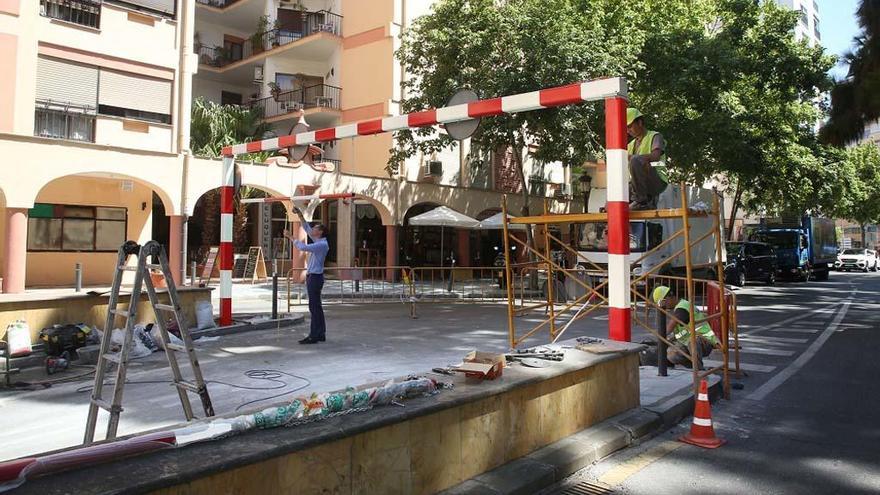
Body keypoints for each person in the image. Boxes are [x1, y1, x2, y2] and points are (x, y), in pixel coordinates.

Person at [284, 206, 329, 344]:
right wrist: (300, 214)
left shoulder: (321, 245)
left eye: (315, 228)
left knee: (314, 307)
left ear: (320, 232)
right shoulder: (319, 241)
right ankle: (320, 333)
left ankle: (314, 335)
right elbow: (306, 227)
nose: (312, 229)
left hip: (315, 277)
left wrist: (290, 237)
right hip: (315, 277)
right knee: (317, 306)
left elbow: (303, 247)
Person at [651, 285, 719, 369]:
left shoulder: (682, 307)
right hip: (689, 341)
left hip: (704, 341)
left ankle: (699, 370)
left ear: (669, 297)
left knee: (692, 341)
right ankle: (694, 367)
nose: (662, 305)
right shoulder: (679, 307)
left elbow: (671, 325)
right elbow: (680, 332)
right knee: (672, 355)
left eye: (662, 302)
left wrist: (661, 336)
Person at [626, 108, 668, 210]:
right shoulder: (630, 145)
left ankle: (641, 200)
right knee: (618, 191)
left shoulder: (655, 136)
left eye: (630, 126)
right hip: (639, 184)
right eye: (626, 128)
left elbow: (655, 156)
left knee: (635, 160)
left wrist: (634, 158)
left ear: (640, 122)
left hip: (657, 181)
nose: (628, 131)